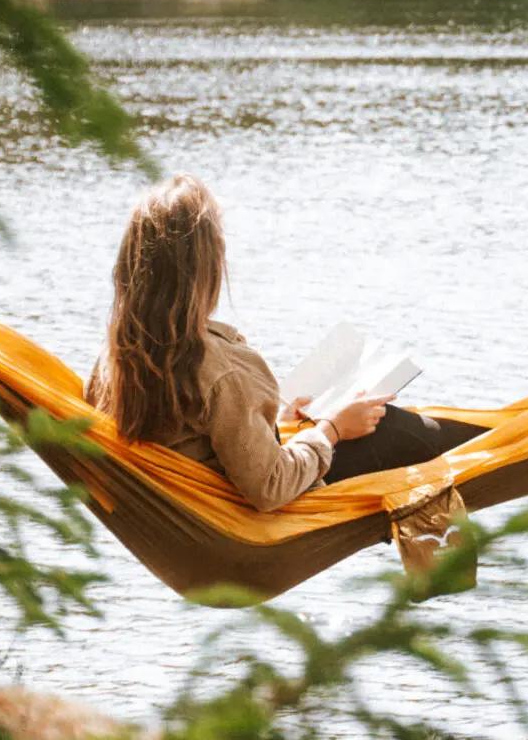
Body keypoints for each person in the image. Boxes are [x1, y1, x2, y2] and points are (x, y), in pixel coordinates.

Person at [85, 175, 479, 511]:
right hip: (257, 518)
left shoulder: (116, 356)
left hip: (195, 510)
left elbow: (194, 438)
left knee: (394, 424)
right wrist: (331, 430)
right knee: (402, 431)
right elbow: (269, 487)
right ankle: (500, 455)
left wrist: (277, 425)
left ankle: (500, 446)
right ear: (206, 270)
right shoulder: (219, 370)